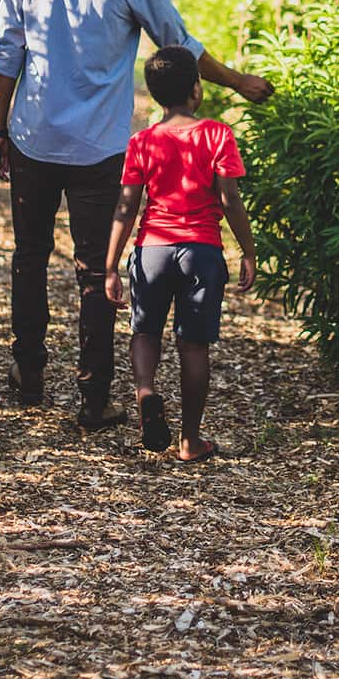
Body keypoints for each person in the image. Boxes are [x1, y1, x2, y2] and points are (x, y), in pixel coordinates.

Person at [0, 0, 271, 431]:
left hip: (33, 137)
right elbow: (181, 48)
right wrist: (240, 82)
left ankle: (29, 372)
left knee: (29, 256)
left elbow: (6, 51)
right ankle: (93, 399)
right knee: (95, 271)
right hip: (99, 148)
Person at [103, 45, 256, 463]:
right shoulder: (217, 135)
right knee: (193, 347)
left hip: (152, 250)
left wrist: (111, 266)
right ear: (196, 88)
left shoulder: (142, 142)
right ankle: (190, 440)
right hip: (201, 252)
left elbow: (127, 205)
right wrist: (247, 250)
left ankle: (146, 392)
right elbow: (230, 199)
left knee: (145, 332)